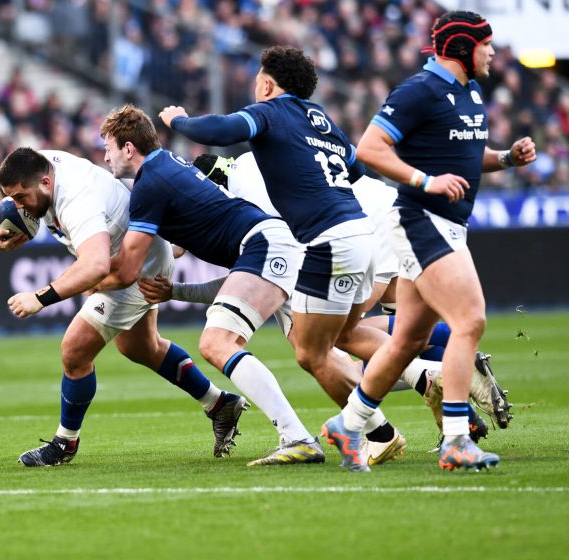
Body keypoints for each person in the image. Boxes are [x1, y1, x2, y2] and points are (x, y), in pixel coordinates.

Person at [159, 49, 397, 470]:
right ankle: (409, 393)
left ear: (267, 85)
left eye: (257, 80)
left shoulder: (270, 112)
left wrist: (177, 120)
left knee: (310, 353)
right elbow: (356, 170)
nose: (255, 87)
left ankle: (344, 429)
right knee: (340, 338)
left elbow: (222, 128)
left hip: (328, 243)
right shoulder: (320, 118)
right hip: (362, 236)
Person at [322, 11, 535, 471]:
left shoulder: (469, 92)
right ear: (462, 48)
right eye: (486, 44)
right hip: (422, 219)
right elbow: (370, 148)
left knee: (406, 341)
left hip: (445, 223)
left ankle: (347, 424)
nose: (493, 52)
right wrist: (425, 180)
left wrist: (506, 158)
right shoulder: (419, 90)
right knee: (470, 319)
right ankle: (457, 439)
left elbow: (464, 153)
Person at [96, 105, 331, 466]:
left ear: (129, 149)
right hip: (267, 244)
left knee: (217, 341)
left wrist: (77, 283)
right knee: (320, 354)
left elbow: (128, 269)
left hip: (264, 245)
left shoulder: (150, 182)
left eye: (108, 147)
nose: (105, 155)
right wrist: (176, 291)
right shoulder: (168, 166)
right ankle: (415, 388)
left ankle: (297, 437)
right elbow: (194, 258)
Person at [0, 147, 247, 465]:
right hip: (139, 254)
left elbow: (95, 266)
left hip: (134, 267)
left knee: (75, 350)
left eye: (22, 198)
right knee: (141, 347)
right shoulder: (35, 166)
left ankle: (65, 442)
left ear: (45, 182)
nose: (18, 206)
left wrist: (39, 298)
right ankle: (219, 404)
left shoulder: (76, 198)